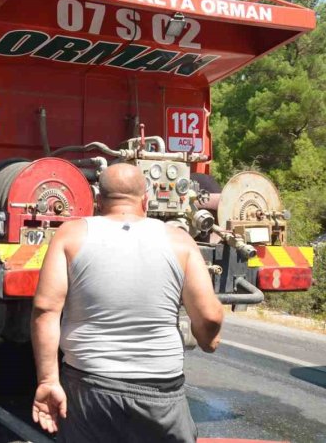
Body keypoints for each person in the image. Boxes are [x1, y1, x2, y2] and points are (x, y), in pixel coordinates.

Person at [31, 163, 223, 442]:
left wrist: (48, 380)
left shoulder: (70, 235)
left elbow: (45, 310)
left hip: (89, 386)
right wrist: (207, 340)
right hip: (160, 392)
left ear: (98, 201)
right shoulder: (179, 241)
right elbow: (210, 316)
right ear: (145, 200)